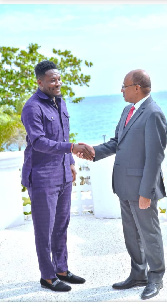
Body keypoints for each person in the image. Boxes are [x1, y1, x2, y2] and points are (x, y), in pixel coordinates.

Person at [77, 69, 167, 300]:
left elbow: (155, 156)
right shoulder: (128, 110)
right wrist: (94, 151)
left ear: (137, 87)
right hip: (124, 186)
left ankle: (155, 278)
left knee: (149, 234)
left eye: (124, 86)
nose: (121, 90)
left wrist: (146, 192)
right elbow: (118, 142)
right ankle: (138, 274)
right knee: (131, 234)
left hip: (142, 189)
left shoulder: (153, 113)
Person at [21, 60, 94, 292]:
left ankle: (61, 269)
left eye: (59, 79)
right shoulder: (32, 107)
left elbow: (63, 134)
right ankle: (48, 276)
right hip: (42, 177)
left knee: (61, 225)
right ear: (39, 82)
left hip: (63, 174)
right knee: (45, 228)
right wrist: (72, 148)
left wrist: (71, 162)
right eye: (52, 80)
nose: (57, 83)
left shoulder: (59, 102)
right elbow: (39, 142)